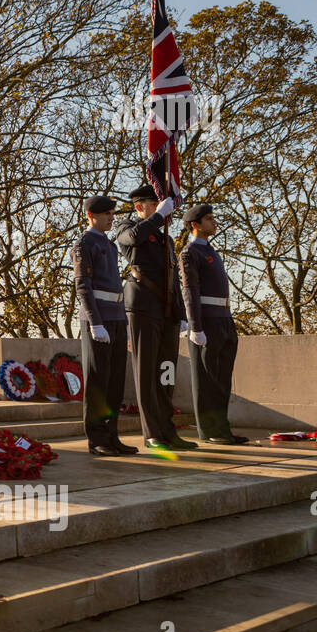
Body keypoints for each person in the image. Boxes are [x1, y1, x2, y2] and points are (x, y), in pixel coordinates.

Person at [113, 185, 196, 453]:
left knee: (166, 373)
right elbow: (134, 238)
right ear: (140, 206)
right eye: (156, 203)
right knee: (147, 373)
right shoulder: (126, 226)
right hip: (143, 308)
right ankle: (152, 434)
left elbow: (173, 278)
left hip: (167, 312)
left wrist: (182, 314)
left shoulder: (166, 239)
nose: (164, 210)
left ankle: (168, 429)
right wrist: (158, 216)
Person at [179, 204, 247, 445]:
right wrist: (195, 327)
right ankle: (210, 431)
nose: (214, 222)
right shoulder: (190, 253)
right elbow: (190, 291)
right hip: (206, 321)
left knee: (222, 379)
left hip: (224, 318)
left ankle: (222, 428)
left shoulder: (210, 250)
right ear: (194, 225)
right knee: (207, 380)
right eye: (208, 219)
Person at [71, 195, 134, 456]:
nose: (111, 217)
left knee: (115, 382)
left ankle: (112, 436)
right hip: (98, 319)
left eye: (112, 213)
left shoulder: (107, 244)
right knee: (98, 382)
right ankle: (97, 439)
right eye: (105, 214)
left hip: (116, 318)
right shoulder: (84, 244)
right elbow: (83, 286)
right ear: (91, 216)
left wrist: (124, 321)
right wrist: (95, 322)